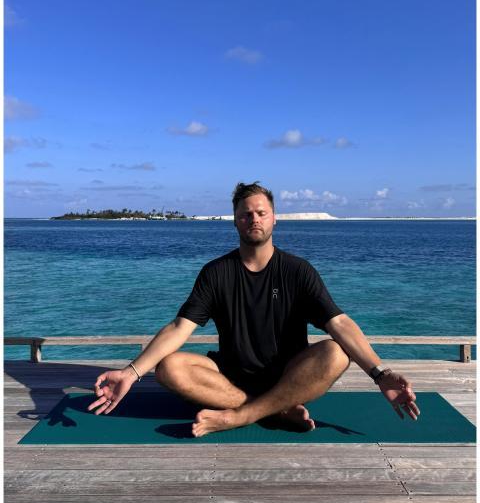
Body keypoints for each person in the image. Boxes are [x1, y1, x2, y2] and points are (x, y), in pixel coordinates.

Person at [88, 181, 420, 436]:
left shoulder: (297, 271)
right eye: (246, 213)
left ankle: (241, 416)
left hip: (291, 376)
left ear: (274, 219)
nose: (254, 219)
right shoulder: (217, 272)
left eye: (261, 213)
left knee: (336, 352)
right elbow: (180, 328)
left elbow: (339, 323)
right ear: (235, 221)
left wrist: (380, 373)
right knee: (168, 367)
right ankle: (274, 410)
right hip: (229, 380)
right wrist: (131, 373)